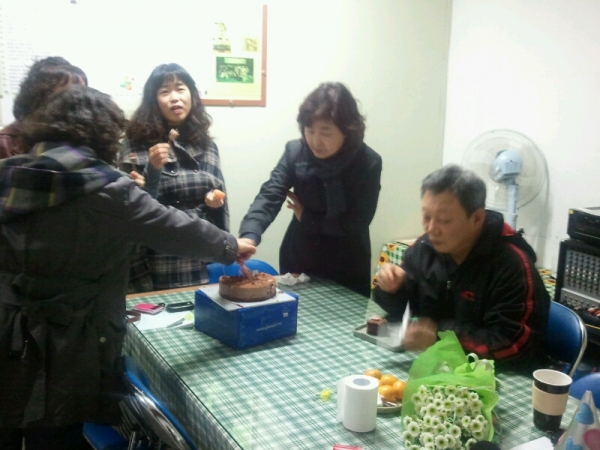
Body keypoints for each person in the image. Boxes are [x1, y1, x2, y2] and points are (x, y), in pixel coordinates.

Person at [0, 85, 255, 450]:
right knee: (54, 436)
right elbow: (174, 228)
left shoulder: (8, 174)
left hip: (6, 328)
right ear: (103, 134)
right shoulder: (105, 188)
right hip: (62, 344)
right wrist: (230, 246)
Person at [373, 164, 550, 364]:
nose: (431, 229)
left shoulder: (512, 265)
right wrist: (392, 289)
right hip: (437, 363)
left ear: (477, 218)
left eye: (444, 220)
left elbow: (512, 343)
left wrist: (440, 337)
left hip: (496, 374)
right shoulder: (424, 248)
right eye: (426, 217)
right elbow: (407, 314)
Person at [238, 82, 382, 297]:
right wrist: (249, 236)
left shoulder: (367, 162)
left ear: (347, 130)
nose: (315, 141)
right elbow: (270, 193)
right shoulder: (296, 152)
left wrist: (307, 218)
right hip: (300, 257)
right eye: (310, 130)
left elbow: (357, 222)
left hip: (348, 262)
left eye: (326, 132)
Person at [117, 63, 229, 293]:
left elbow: (219, 202)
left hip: (195, 252)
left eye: (180, 88)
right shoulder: (134, 144)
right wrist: (153, 169)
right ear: (153, 99)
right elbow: (133, 210)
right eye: (165, 91)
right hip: (151, 256)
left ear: (192, 94)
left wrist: (214, 201)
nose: (174, 98)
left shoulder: (207, 145)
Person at [0, 56, 87, 158]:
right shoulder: (5, 143)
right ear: (39, 96)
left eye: (82, 92)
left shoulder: (82, 132)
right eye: (68, 93)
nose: (77, 100)